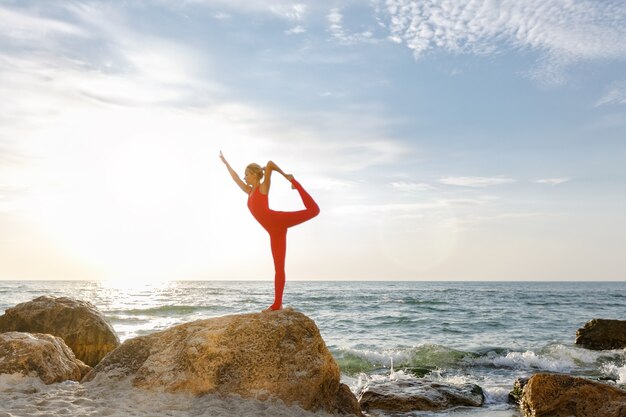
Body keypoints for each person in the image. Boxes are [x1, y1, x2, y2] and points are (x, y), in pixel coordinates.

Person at [219, 151, 320, 311]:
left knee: (314, 210)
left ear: (253, 175)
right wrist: (226, 164)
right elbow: (235, 178)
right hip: (274, 232)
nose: (244, 177)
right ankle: (277, 304)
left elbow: (271, 163)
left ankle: (297, 184)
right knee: (278, 268)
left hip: (279, 220)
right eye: (244, 175)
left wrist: (287, 177)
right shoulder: (249, 191)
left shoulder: (263, 187)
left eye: (247, 174)